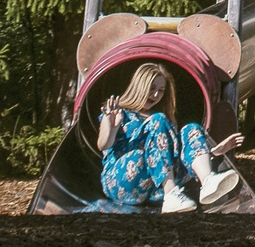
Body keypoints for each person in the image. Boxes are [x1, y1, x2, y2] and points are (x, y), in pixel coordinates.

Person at [94, 62, 245, 213]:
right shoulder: (120, 114)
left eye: (161, 90)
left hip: (153, 189)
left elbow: (175, 154)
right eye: (152, 88)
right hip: (121, 183)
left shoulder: (163, 121)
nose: (155, 95)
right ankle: (171, 193)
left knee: (190, 128)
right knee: (157, 121)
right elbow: (103, 145)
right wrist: (112, 128)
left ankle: (207, 180)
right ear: (139, 86)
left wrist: (212, 152)